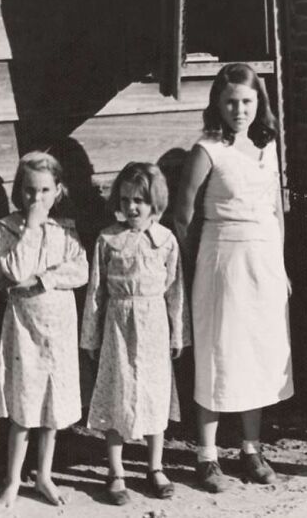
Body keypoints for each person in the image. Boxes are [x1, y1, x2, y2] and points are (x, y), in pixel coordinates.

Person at [174, 63, 293, 493]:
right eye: (230, 102)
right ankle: (206, 458)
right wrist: (195, 267)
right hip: (222, 262)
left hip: (263, 262)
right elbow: (183, 216)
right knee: (219, 353)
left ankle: (250, 449)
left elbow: (276, 211)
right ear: (217, 105)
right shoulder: (208, 150)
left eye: (246, 101)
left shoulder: (267, 147)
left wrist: (280, 268)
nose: (239, 110)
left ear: (259, 102)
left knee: (257, 354)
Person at [0, 152, 89, 511]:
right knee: (24, 408)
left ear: (57, 191)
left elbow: (80, 271)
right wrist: (30, 227)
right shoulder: (7, 229)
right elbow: (15, 269)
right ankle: (12, 482)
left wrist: (43, 278)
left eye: (45, 190)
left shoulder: (66, 229)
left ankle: (43, 475)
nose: (37, 198)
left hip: (58, 329)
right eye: (29, 190)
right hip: (24, 332)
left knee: (51, 406)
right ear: (19, 191)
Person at [81, 162, 188, 505]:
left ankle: (155, 467)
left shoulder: (165, 240)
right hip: (118, 324)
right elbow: (96, 291)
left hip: (153, 322)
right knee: (119, 393)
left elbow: (175, 290)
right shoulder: (108, 239)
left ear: (155, 202)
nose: (132, 207)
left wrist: (176, 334)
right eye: (126, 199)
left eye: (140, 200)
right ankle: (116, 471)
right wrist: (91, 338)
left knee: (155, 394)